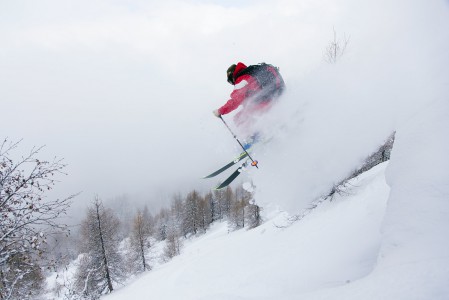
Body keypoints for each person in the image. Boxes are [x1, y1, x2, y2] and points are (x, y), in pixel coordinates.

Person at [213, 62, 285, 148]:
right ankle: (266, 129)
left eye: (230, 81)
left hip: (267, 101)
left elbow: (235, 101)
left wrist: (220, 111)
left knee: (239, 117)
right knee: (249, 112)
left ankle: (254, 139)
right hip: (278, 94)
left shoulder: (242, 80)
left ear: (232, 75)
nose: (232, 83)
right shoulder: (253, 72)